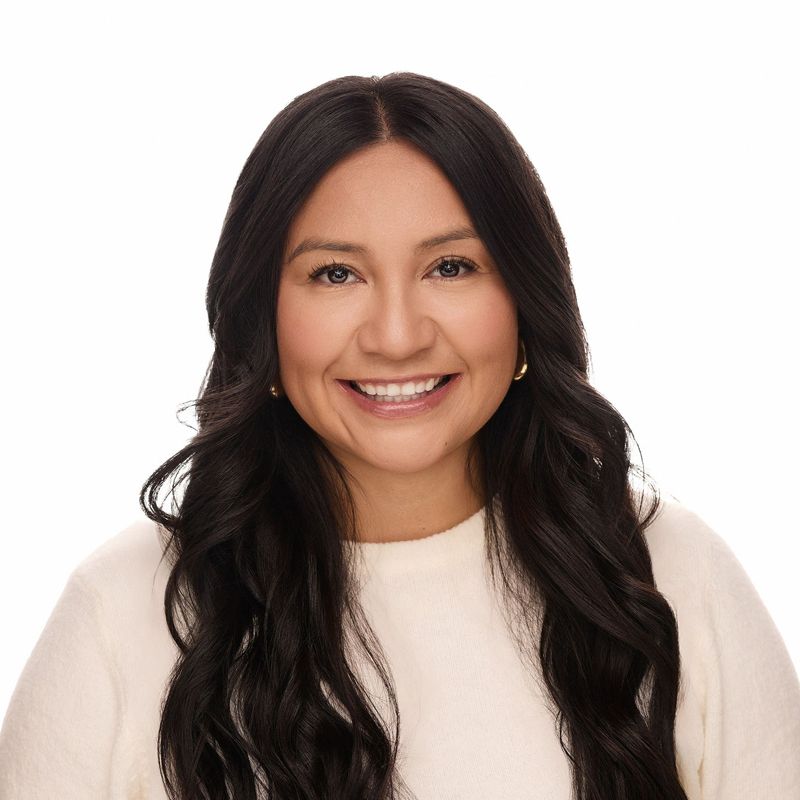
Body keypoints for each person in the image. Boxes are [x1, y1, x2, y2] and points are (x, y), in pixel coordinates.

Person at [1, 72, 798, 800]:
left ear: (525, 300)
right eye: (335, 274)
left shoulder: (667, 576)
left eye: (450, 267)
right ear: (262, 322)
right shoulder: (125, 610)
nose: (395, 335)